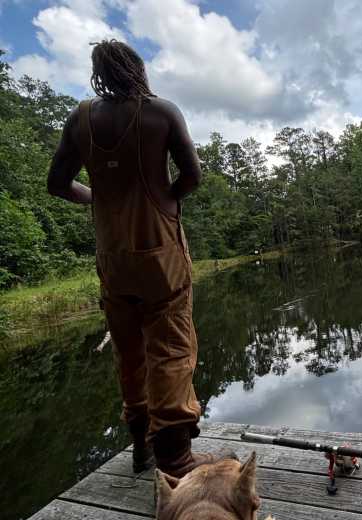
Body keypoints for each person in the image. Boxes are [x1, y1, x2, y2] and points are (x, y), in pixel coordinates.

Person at [48, 39, 216, 478]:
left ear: (98, 72)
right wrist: (165, 202)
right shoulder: (161, 111)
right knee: (173, 350)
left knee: (130, 353)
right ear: (136, 69)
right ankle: (175, 459)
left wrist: (98, 198)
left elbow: (57, 183)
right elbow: (192, 176)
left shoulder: (80, 119)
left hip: (114, 260)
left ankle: (141, 449)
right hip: (161, 256)